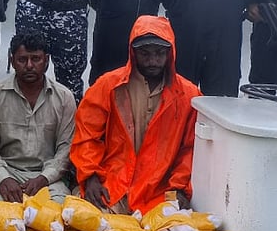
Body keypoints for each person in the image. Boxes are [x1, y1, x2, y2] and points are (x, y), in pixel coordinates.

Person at [71, 15, 201, 215]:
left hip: (160, 191)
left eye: (159, 53)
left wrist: (179, 187)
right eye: (145, 54)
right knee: (85, 229)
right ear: (133, 52)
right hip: (112, 186)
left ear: (170, 53)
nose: (152, 61)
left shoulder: (189, 95)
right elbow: (87, 136)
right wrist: (90, 178)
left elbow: (190, 149)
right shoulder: (108, 85)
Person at [0, 31, 75, 204]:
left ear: (46, 61)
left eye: (36, 59)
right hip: (6, 173)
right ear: (12, 61)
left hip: (47, 177)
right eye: (22, 59)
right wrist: (3, 178)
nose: (29, 65)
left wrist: (44, 178)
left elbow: (66, 149)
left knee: (57, 214)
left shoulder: (64, 97)